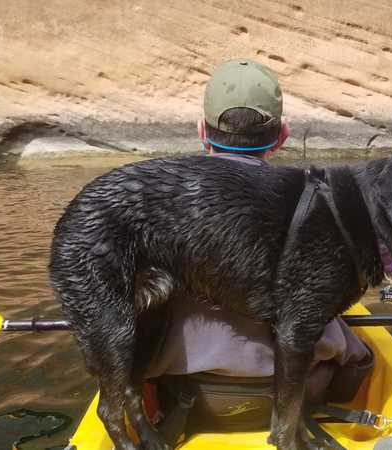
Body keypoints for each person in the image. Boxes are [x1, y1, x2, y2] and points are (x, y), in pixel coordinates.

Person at [144, 59, 372, 438]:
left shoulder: (152, 204)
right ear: (282, 135)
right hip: (299, 393)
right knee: (361, 356)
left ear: (203, 131)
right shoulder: (323, 207)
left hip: (188, 398)